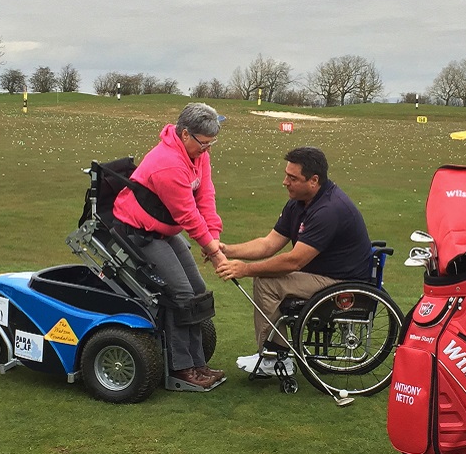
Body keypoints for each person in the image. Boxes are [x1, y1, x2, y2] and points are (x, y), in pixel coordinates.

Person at [215, 146, 373, 376]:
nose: (285, 182)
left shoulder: (328, 210)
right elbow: (269, 243)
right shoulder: (299, 202)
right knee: (266, 279)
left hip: (341, 283)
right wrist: (227, 249)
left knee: (267, 283)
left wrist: (245, 269)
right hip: (324, 275)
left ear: (314, 180)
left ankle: (276, 357)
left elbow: (293, 262)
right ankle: (274, 353)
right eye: (286, 175)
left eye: (292, 177)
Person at [113, 102, 227, 390]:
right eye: (204, 144)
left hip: (165, 230)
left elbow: (206, 198)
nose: (207, 150)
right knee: (181, 293)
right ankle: (182, 369)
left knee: (198, 291)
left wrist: (213, 237)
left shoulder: (198, 154)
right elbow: (187, 214)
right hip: (139, 232)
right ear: (185, 134)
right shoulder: (168, 163)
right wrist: (213, 252)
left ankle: (198, 363)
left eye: (212, 143)